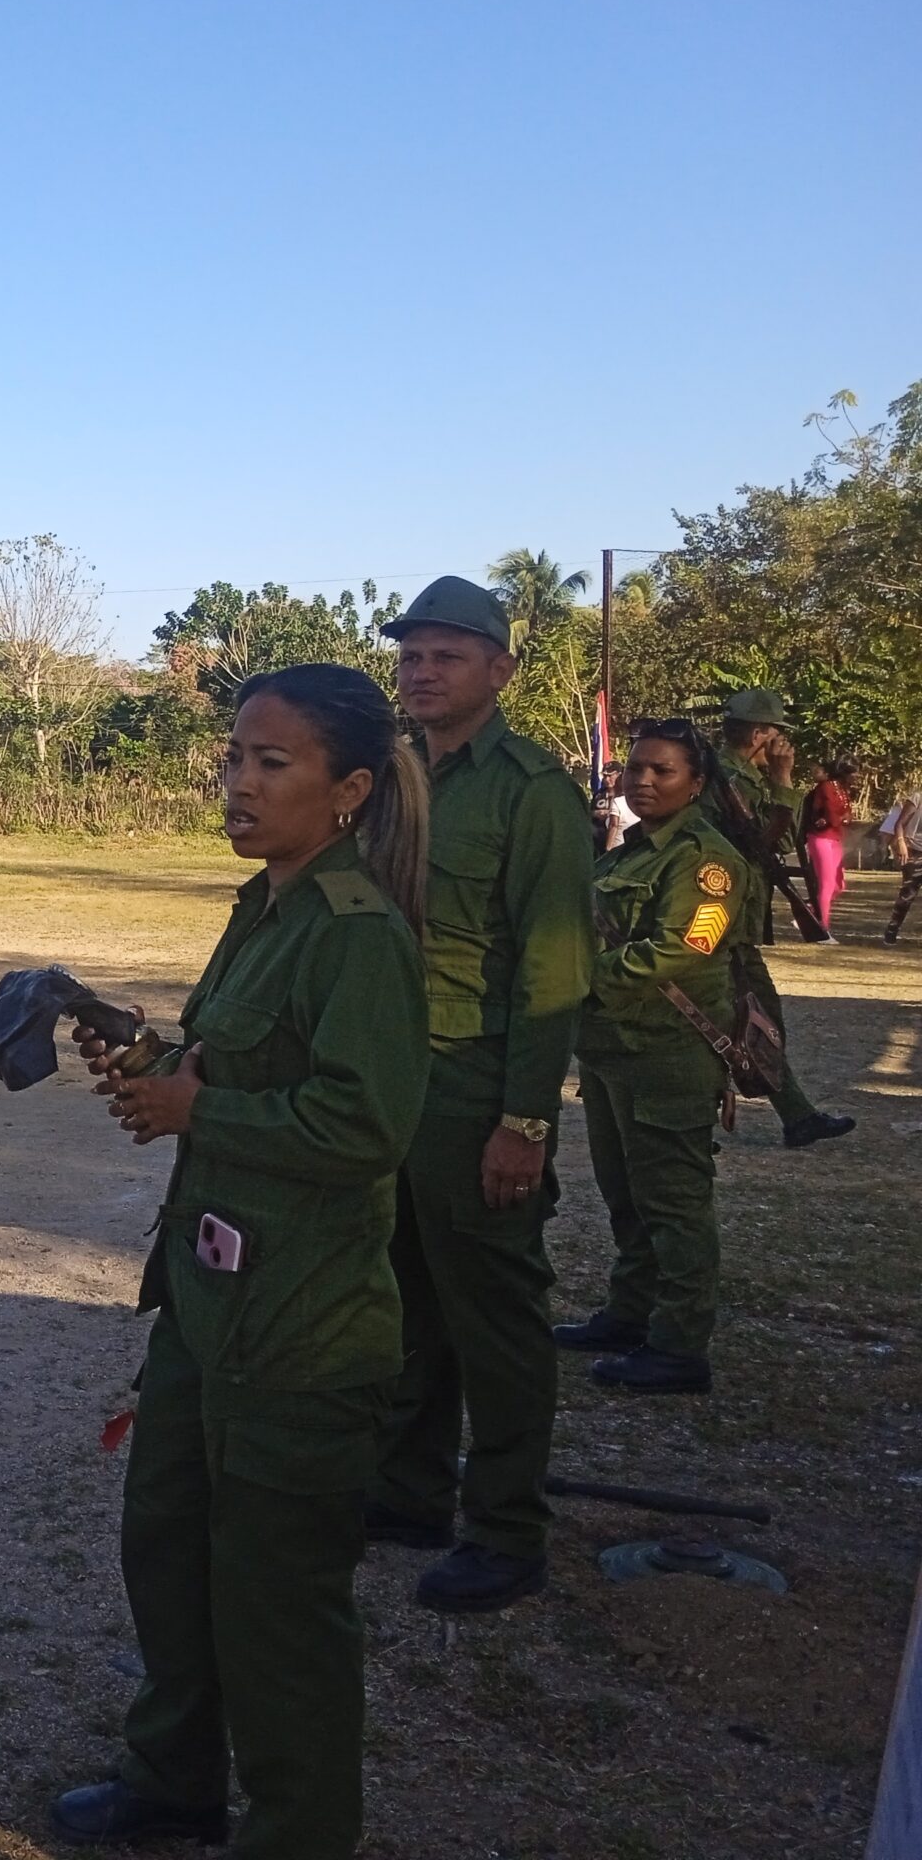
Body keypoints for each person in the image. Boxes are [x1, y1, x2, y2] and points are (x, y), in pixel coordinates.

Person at [47, 663, 429, 1857]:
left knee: (279, 1614)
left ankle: (296, 1835)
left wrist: (191, 1113)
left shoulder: (358, 937)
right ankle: (171, 1783)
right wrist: (143, 1050)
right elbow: (230, 1064)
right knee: (166, 1555)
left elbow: (363, 1128)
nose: (239, 785)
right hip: (208, 1314)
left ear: (350, 789)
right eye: (232, 761)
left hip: (302, 1332)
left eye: (272, 764)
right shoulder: (259, 909)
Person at [361, 577, 592, 1616]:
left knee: (493, 1320)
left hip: (473, 1087)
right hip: (391, 1078)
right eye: (411, 655)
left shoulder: (531, 792)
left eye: (446, 655)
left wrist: (524, 1121)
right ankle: (409, 1493)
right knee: (405, 1304)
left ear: (499, 670)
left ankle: (506, 1532)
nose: (422, 670)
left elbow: (551, 972)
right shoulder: (389, 776)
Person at [552, 719, 754, 1395]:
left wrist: (577, 976)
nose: (642, 780)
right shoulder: (628, 849)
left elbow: (683, 949)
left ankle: (677, 1345)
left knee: (673, 1203)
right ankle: (630, 1313)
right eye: (635, 768)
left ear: (697, 782)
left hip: (667, 1051)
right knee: (626, 1197)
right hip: (613, 1048)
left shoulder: (707, 860)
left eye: (662, 770)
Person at [716, 690, 853, 1143]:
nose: (782, 743)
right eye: (776, 734)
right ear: (758, 734)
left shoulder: (739, 777)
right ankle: (794, 1117)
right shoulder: (723, 779)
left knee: (747, 1019)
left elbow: (777, 841)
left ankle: (797, 1117)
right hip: (721, 925)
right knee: (748, 1019)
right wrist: (783, 778)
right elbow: (764, 839)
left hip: (737, 924)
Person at [800, 759, 853, 934]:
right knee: (827, 883)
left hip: (835, 837)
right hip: (820, 837)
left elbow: (847, 812)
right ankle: (823, 927)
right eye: (853, 773)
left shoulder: (843, 790)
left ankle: (811, 908)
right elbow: (831, 812)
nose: (856, 776)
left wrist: (839, 819)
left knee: (839, 884)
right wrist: (837, 819)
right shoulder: (826, 787)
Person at [882, 789, 922, 945]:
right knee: (908, 893)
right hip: (914, 851)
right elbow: (899, 823)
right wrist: (900, 842)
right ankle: (892, 929)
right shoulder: (917, 797)